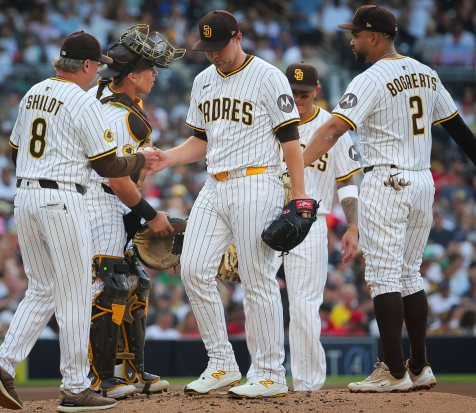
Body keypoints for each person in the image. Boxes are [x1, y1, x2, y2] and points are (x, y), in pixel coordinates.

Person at [302, 5, 476, 393]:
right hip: (422, 182)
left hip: (386, 180)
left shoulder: (371, 78)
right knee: (410, 273)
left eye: (357, 34)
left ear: (375, 37)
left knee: (382, 278)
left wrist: (291, 169)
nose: (352, 39)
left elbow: (331, 129)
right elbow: (454, 122)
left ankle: (393, 371)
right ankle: (421, 365)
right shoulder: (425, 73)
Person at [0, 31, 159, 412]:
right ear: (89, 65)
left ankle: (3, 364)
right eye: (98, 66)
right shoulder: (81, 101)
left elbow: (14, 151)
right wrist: (141, 160)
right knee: (75, 292)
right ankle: (76, 387)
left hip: (25, 195)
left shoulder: (33, 92)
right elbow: (108, 165)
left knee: (43, 287)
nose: (100, 74)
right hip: (62, 198)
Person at [147, 10, 309, 398]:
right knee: (193, 268)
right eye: (207, 48)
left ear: (237, 37)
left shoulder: (269, 77)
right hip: (215, 184)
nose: (213, 54)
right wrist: (167, 157)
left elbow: (291, 143)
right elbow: (200, 143)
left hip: (258, 181)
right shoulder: (203, 81)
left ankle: (269, 372)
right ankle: (222, 364)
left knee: (257, 279)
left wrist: (301, 197)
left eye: (218, 46)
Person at [85, 25, 184, 398]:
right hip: (101, 204)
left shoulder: (122, 104)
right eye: (149, 68)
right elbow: (114, 178)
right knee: (108, 286)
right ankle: (101, 377)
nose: (155, 74)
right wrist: (151, 215)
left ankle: (131, 370)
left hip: (114, 206)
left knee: (135, 282)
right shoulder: (117, 115)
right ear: (130, 76)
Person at [281, 62, 361, 391]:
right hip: (265, 214)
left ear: (316, 91)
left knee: (304, 306)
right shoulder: (270, 120)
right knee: (262, 298)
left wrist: (353, 226)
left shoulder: (333, 128)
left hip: (310, 221)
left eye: (304, 93)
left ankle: (308, 387)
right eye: (292, 93)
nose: (298, 99)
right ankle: (266, 374)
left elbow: (347, 182)